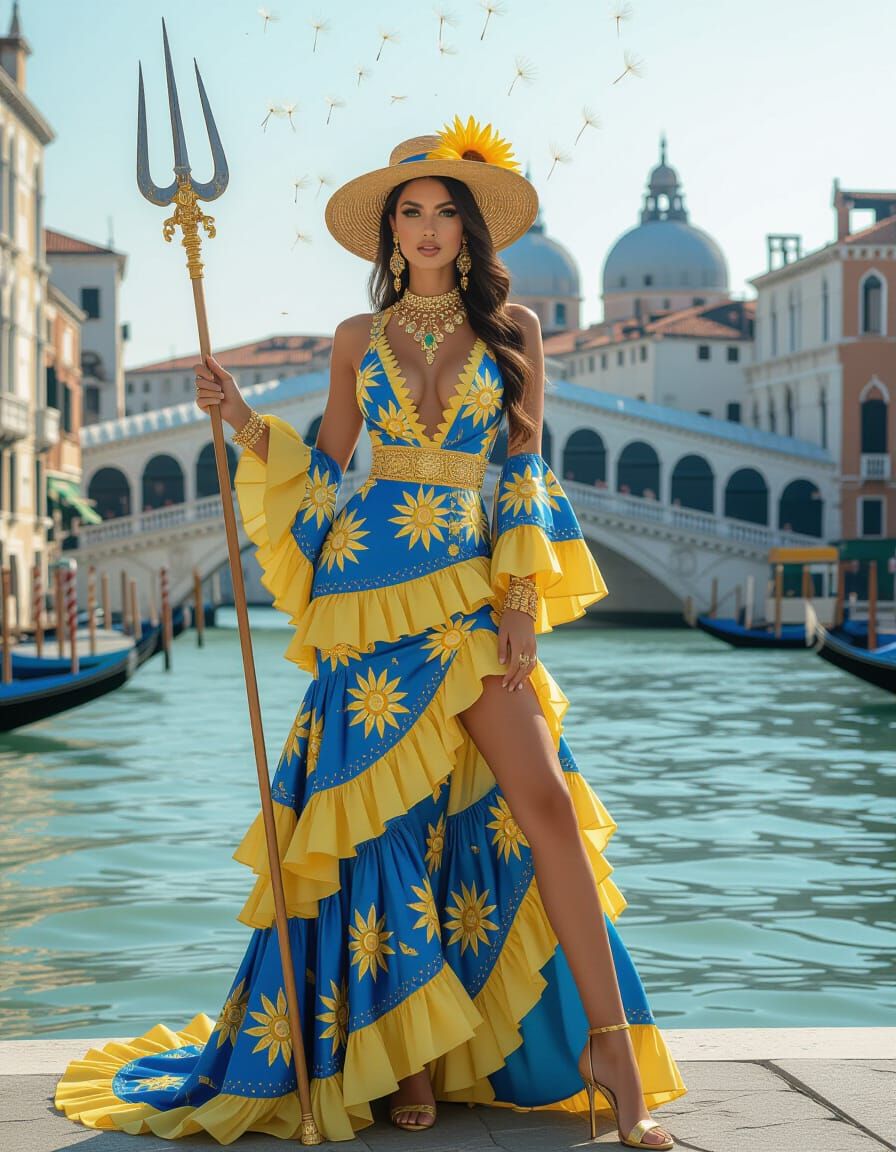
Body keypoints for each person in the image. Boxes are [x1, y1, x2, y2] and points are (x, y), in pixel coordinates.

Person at [54, 116, 686, 1147]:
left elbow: (522, 467)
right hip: (368, 599)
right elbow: (324, 471)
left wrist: (521, 596)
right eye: (411, 210)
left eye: (445, 210)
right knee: (392, 833)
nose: (429, 226)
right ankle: (409, 1058)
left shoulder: (513, 331)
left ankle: (610, 1045)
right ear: (389, 231)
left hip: (472, 601)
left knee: (544, 806)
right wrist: (243, 421)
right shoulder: (355, 343)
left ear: (470, 231)